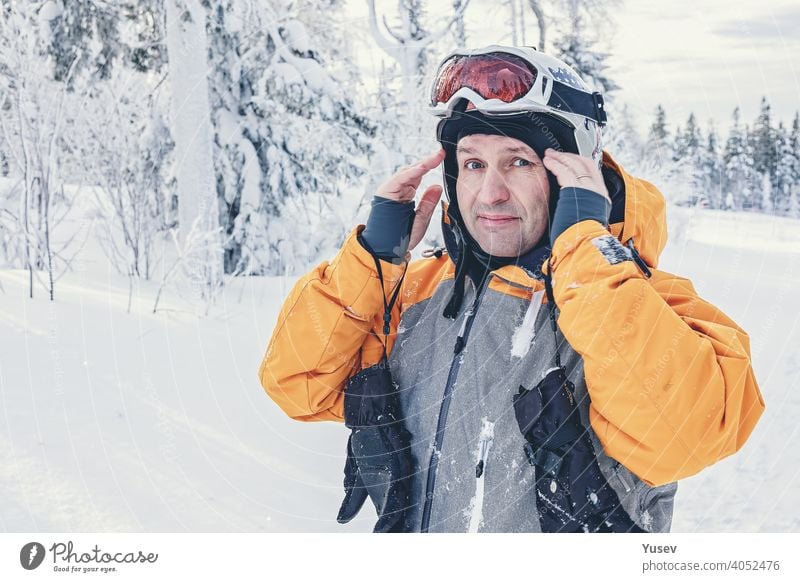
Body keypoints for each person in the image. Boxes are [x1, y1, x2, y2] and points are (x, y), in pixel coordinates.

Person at [258, 45, 765, 533]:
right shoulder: (415, 293)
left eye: (519, 162)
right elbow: (298, 385)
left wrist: (585, 255)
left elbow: (683, 438)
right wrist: (371, 259)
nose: (489, 193)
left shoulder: (640, 299)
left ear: (572, 174)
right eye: (473, 164)